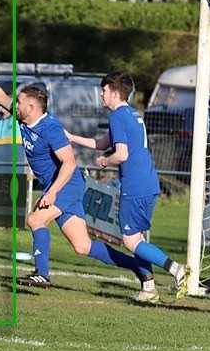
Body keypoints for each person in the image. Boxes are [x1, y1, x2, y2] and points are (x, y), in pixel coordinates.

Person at [0, 48, 149, 291]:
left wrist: (52, 192)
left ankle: (42, 273)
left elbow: (70, 163)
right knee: (83, 246)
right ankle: (138, 267)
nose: (14, 105)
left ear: (31, 107)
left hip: (67, 183)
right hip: (62, 185)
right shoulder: (24, 117)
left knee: (35, 219)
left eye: (18, 102)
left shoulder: (50, 128)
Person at [66, 72, 189, 302]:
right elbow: (102, 143)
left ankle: (176, 269)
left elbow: (120, 154)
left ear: (113, 93)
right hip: (148, 182)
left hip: (135, 185)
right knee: (137, 239)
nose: (101, 94)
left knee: (130, 240)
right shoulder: (131, 113)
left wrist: (105, 161)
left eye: (103, 91)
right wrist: (72, 137)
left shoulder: (117, 117)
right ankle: (149, 288)